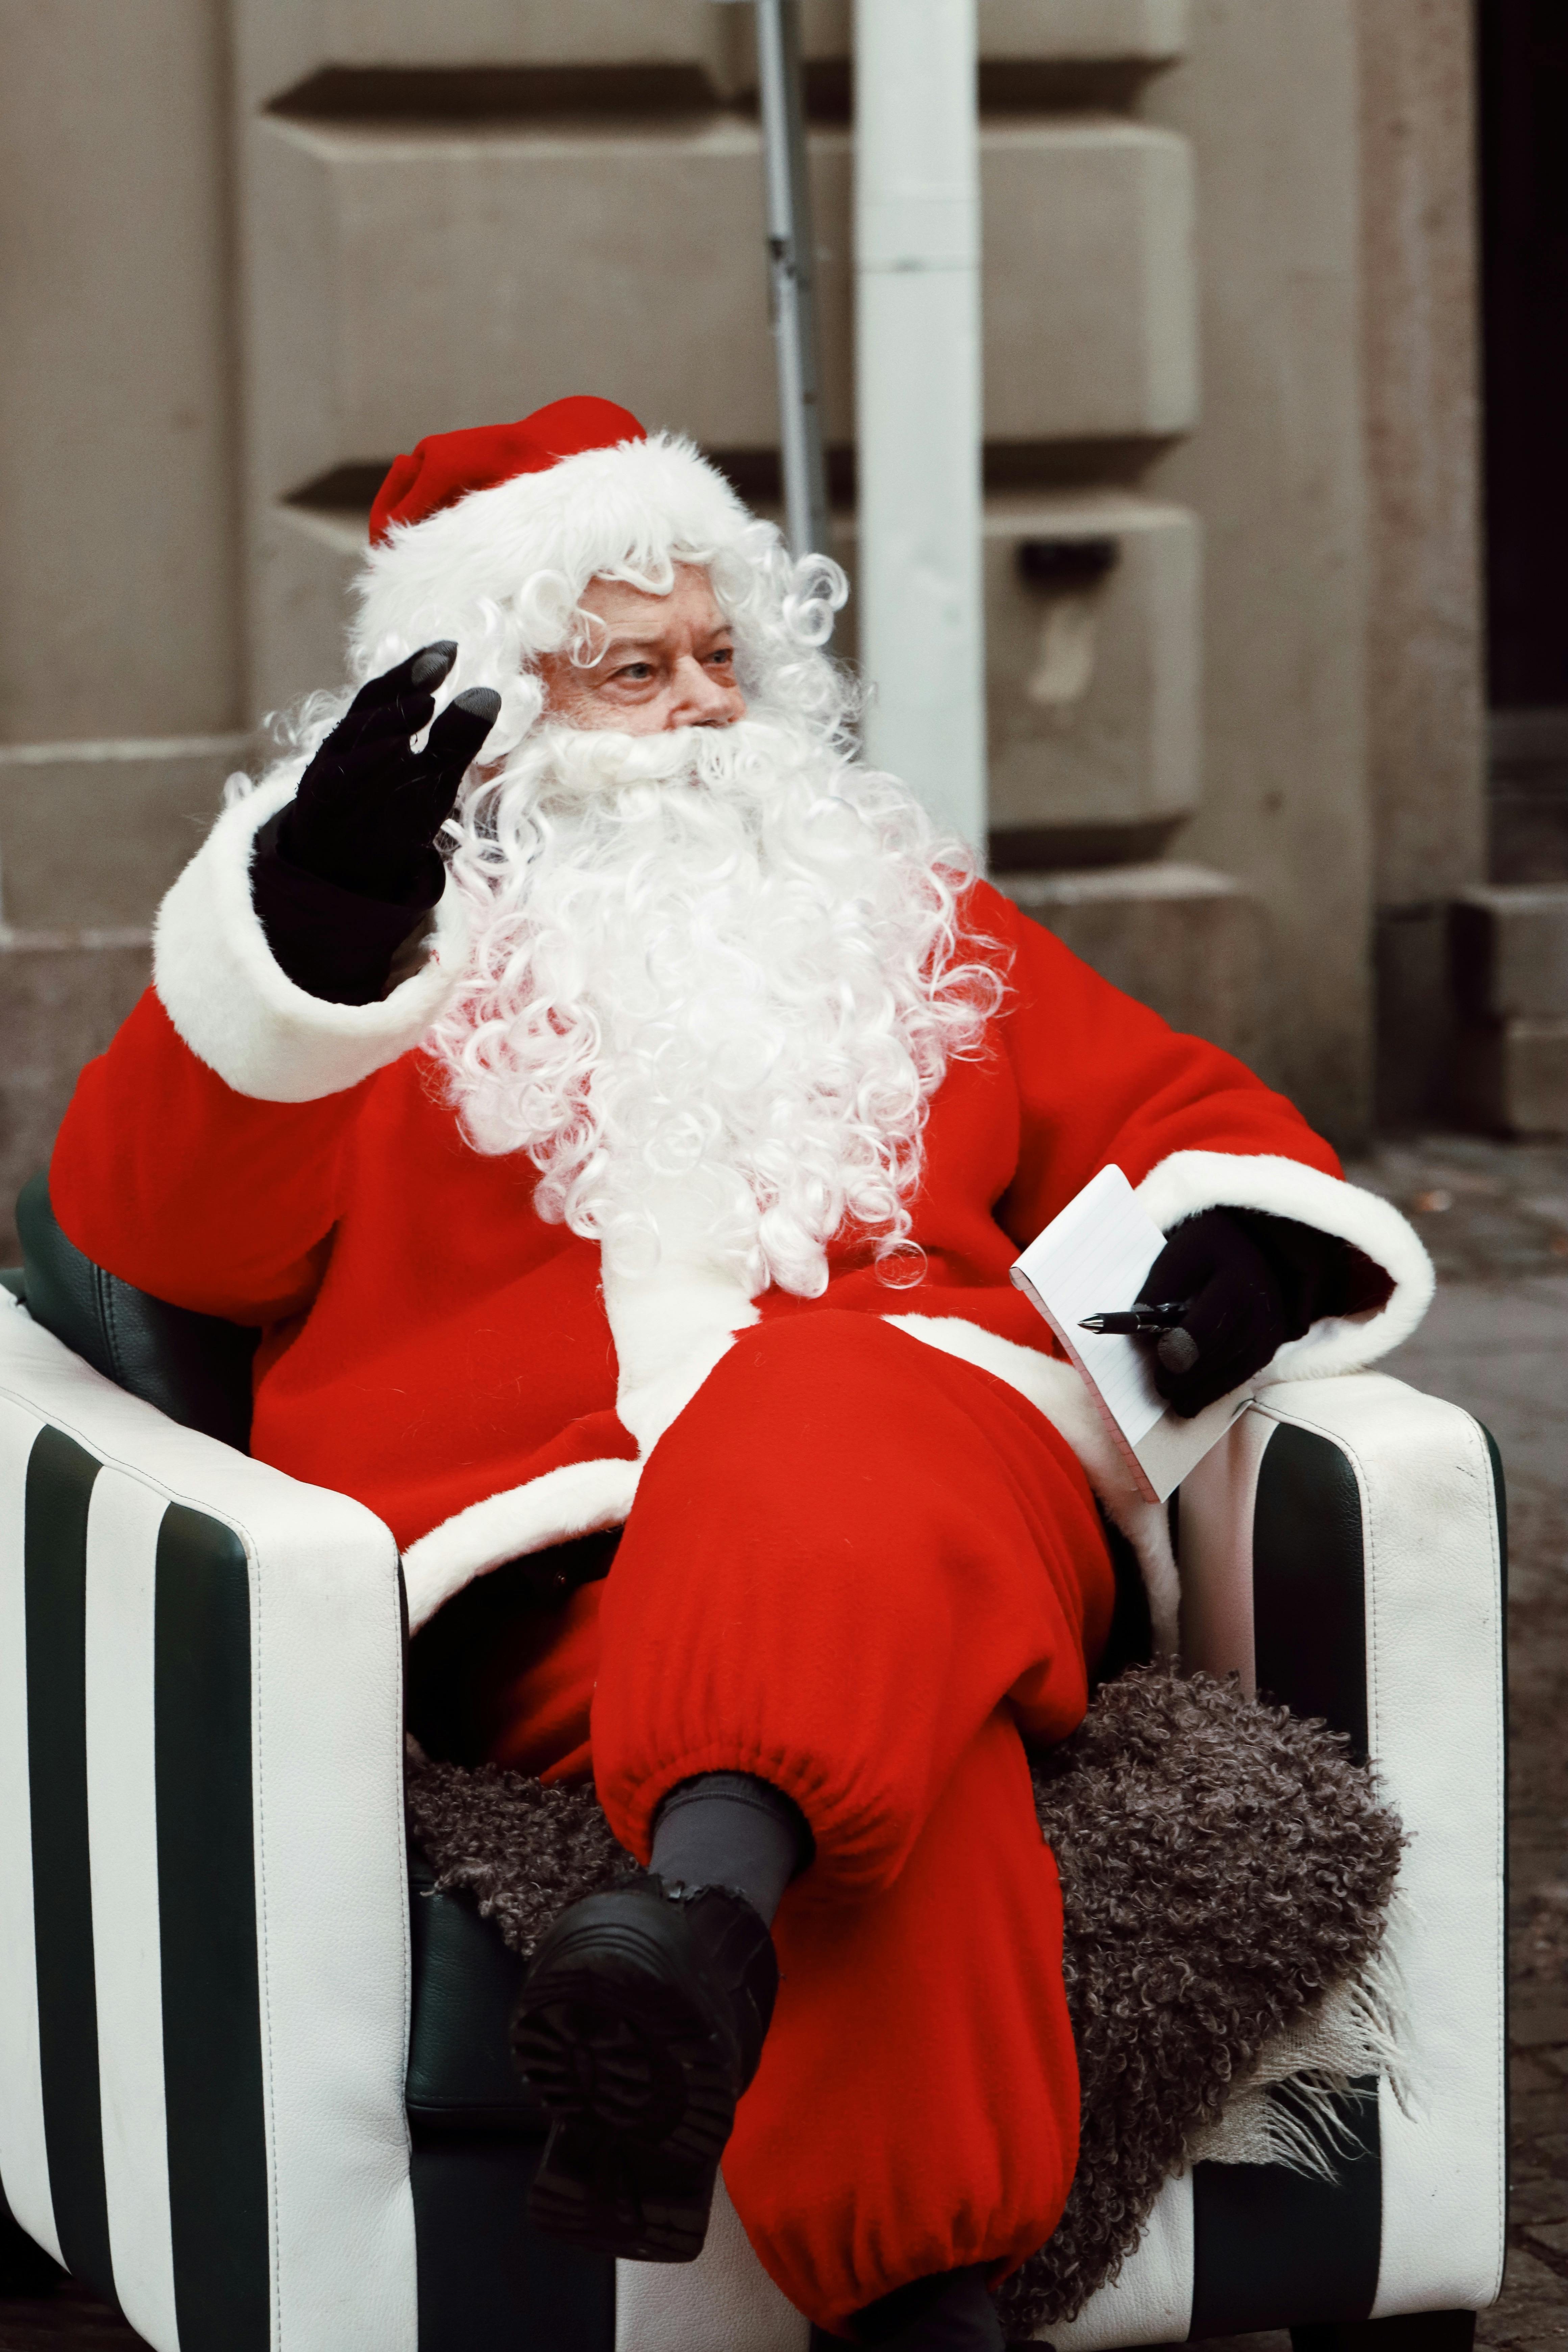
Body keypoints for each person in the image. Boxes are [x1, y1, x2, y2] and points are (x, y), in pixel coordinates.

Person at [48, 397, 1432, 2350]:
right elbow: (159, 1226)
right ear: (497, 706)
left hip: (956, 1496)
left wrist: (1243, 1249)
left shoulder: (895, 912)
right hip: (585, 1582)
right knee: (912, 1809)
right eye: (635, 668)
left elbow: (1198, 1115)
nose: (705, 704)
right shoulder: (371, 965)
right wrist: (316, 927)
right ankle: (753, 1998)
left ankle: (681, 1914)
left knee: (815, 1393)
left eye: (723, 656)